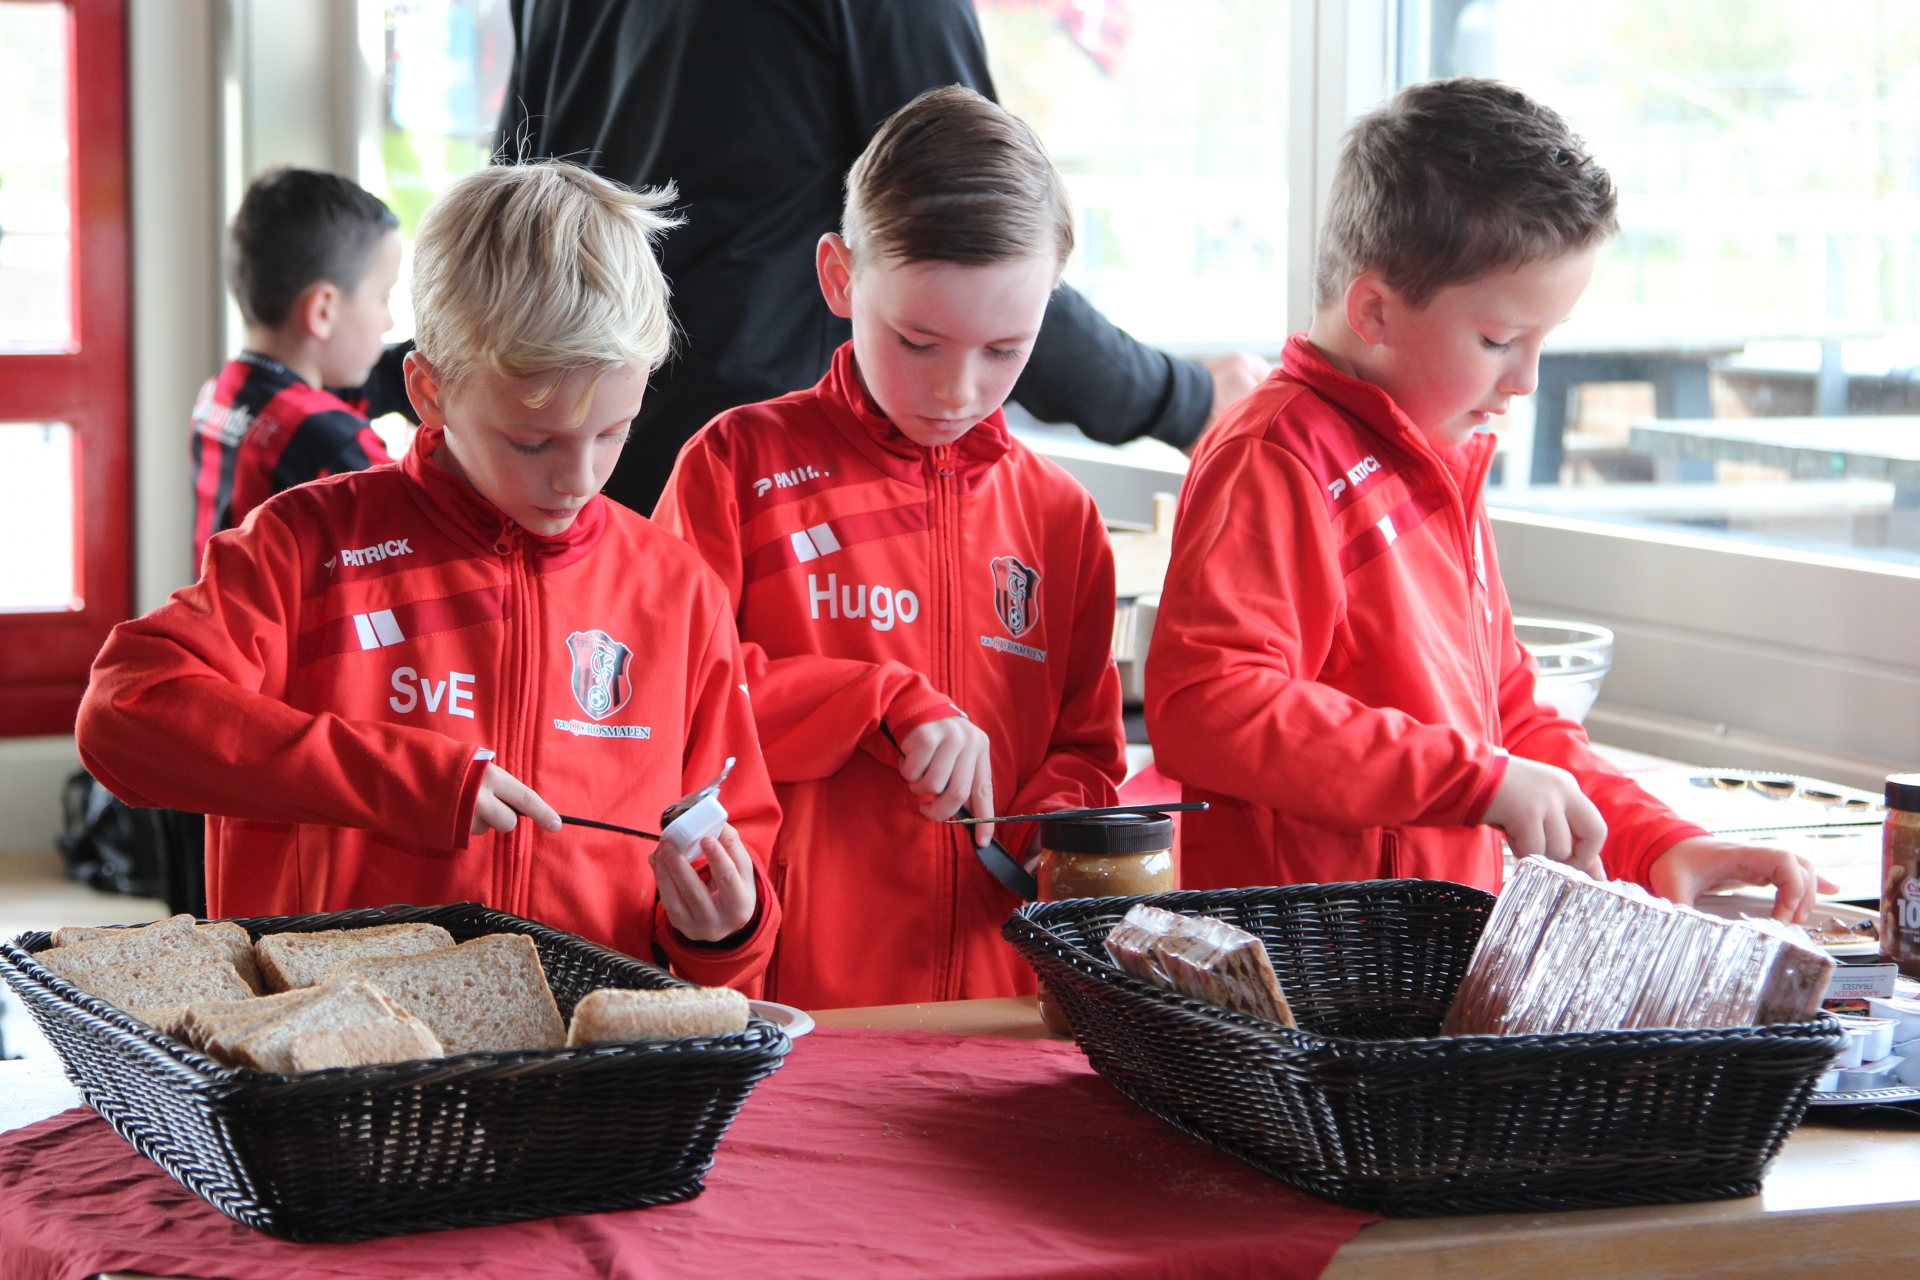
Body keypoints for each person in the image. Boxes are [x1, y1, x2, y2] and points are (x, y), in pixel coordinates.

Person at [80, 162, 784, 990]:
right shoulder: (308, 546)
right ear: (430, 390)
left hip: (584, 1081)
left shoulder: (676, 589)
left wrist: (727, 931)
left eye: (613, 432)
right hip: (334, 1067)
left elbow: (736, 850)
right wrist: (408, 778)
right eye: (533, 442)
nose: (578, 478)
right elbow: (123, 714)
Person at [1144, 79, 1830, 920]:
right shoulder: (1277, 457)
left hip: (1423, 961)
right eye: (1501, 340)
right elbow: (1209, 706)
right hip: (1315, 976)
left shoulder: (1436, 461)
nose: (1529, 379)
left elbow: (1511, 720)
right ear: (1374, 311)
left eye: (1546, 341)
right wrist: (1475, 777)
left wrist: (1659, 841)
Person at [654, 87, 1126, 1007]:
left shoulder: (1060, 515)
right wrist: (879, 701)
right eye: (918, 341)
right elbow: (678, 708)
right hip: (791, 996)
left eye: (1005, 349)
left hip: (1001, 1007)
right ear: (839, 277)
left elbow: (1089, 753)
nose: (958, 389)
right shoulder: (735, 466)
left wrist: (1055, 829)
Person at [497, 0, 1267, 516]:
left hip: (577, 451)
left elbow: (516, 194)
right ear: (840, 276)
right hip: (778, 492)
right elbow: (977, 239)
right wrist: (1185, 401)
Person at [191, 169, 416, 569]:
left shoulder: (221, 391)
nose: (389, 323)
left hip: (227, 620)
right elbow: (413, 552)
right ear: (323, 310)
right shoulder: (334, 442)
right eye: (383, 298)